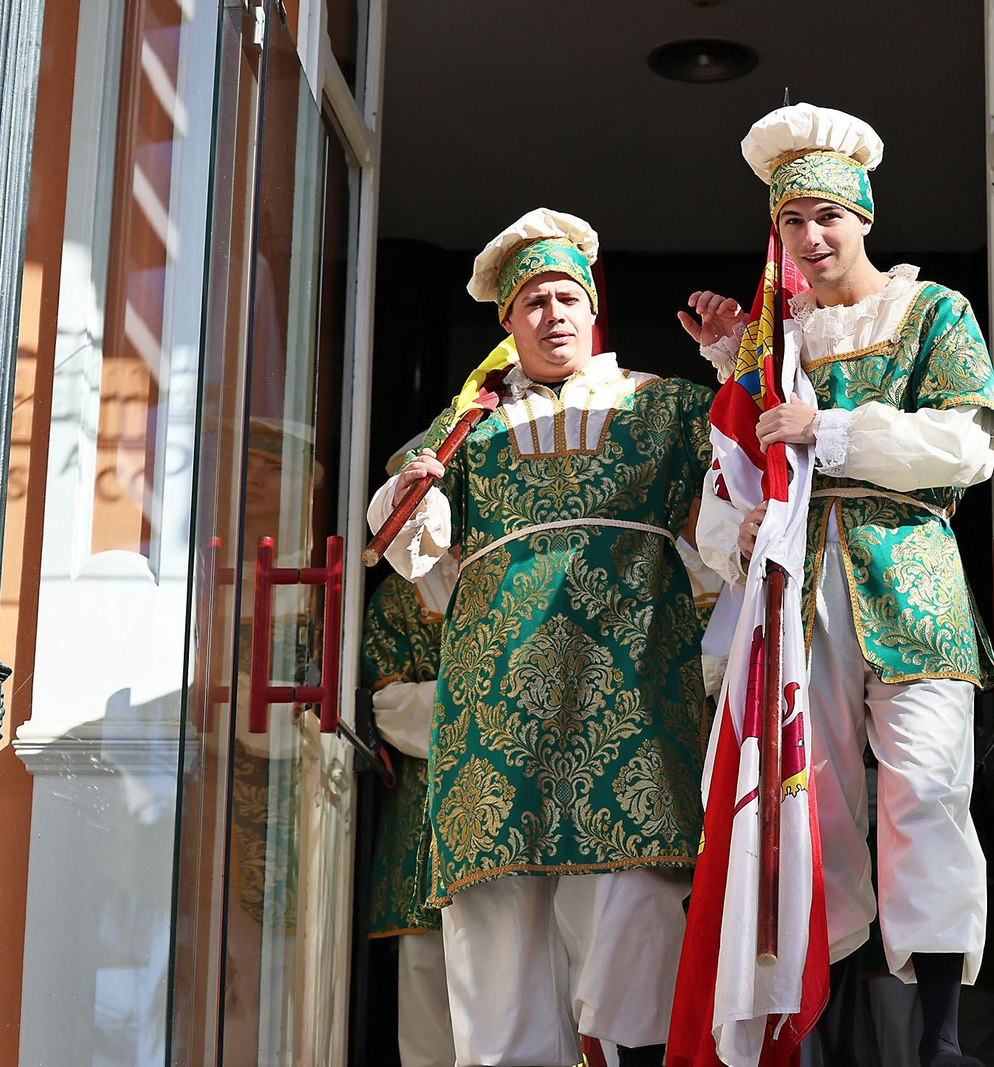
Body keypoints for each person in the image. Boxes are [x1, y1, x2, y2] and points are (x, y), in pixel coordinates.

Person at [685, 105, 994, 1067]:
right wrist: (734, 532)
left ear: (864, 216)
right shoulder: (771, 343)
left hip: (910, 578)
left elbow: (969, 443)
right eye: (792, 222)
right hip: (797, 590)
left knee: (927, 787)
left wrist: (829, 430)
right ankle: (811, 1030)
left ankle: (941, 1038)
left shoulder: (932, 313)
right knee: (805, 800)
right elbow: (728, 474)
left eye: (828, 215)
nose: (811, 237)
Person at [368, 208, 715, 1067]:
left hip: (633, 703)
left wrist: (730, 355)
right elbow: (416, 556)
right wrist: (415, 488)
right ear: (507, 323)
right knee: (499, 945)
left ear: (592, 308)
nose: (554, 313)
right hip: (497, 721)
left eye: (568, 296)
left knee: (633, 919)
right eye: (533, 301)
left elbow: (746, 504)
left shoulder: (668, 407)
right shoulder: (465, 436)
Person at [362, 439, 460, 1067]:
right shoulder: (400, 596)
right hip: (424, 820)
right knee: (429, 981)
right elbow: (386, 705)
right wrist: (485, 708)